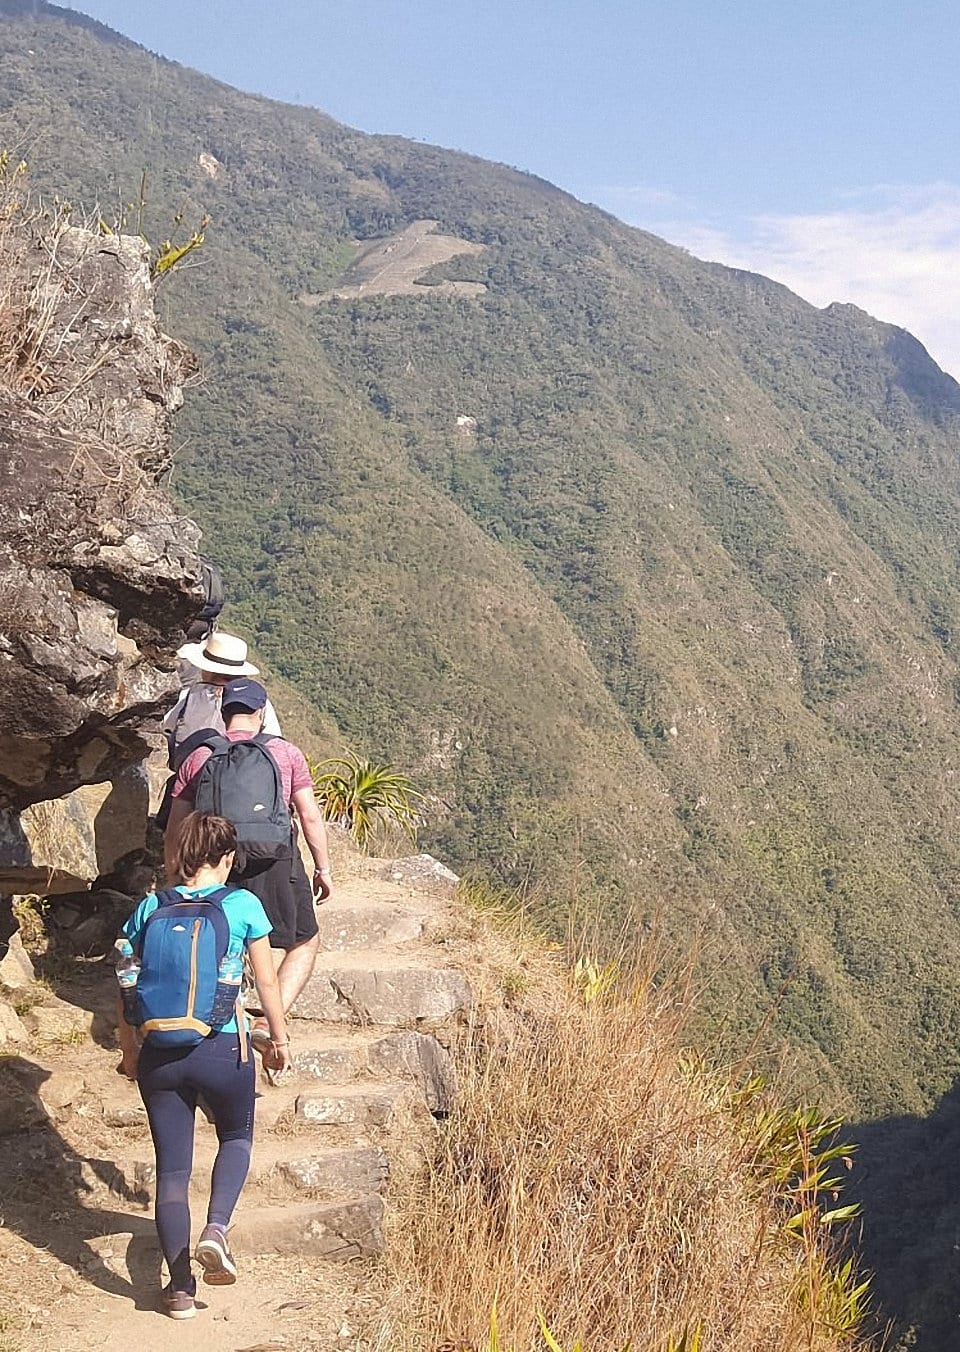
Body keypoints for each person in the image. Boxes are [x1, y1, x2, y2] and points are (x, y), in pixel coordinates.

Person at [116, 812, 290, 1320]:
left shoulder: (148, 908)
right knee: (235, 1138)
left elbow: (124, 986)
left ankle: (178, 1291)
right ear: (228, 858)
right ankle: (215, 1230)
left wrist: (130, 1054)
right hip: (222, 1049)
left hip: (158, 1057)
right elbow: (268, 983)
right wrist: (277, 1039)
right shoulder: (242, 905)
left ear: (181, 857)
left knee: (172, 1170)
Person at [163, 679, 333, 1071]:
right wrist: (323, 868)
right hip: (275, 861)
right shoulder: (285, 753)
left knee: (219, 943)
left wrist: (174, 871)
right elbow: (309, 814)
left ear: (224, 714)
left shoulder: (199, 756)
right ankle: (264, 1020)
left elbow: (177, 823)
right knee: (304, 942)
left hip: (214, 861)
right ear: (261, 713)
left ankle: (222, 1016)